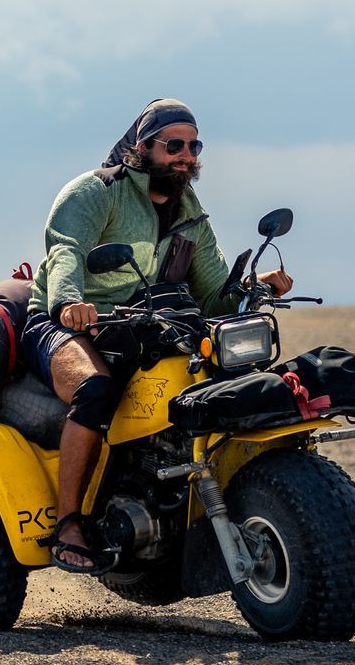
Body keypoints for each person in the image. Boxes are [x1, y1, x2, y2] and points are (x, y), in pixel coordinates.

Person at [22, 98, 293, 574]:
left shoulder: (190, 211)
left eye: (194, 146)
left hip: (147, 323)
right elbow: (66, 251)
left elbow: (212, 293)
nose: (186, 156)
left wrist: (254, 287)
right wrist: (67, 302)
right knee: (95, 390)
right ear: (144, 146)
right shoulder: (96, 191)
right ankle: (69, 523)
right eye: (175, 145)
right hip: (63, 322)